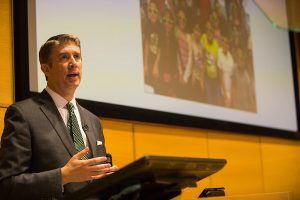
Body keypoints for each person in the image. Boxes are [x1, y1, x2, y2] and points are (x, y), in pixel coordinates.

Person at [0, 34, 118, 199]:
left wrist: (112, 181)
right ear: (46, 68)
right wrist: (63, 176)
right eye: (64, 57)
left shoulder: (93, 120)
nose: (73, 63)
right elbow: (7, 186)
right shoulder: (23, 114)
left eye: (77, 56)